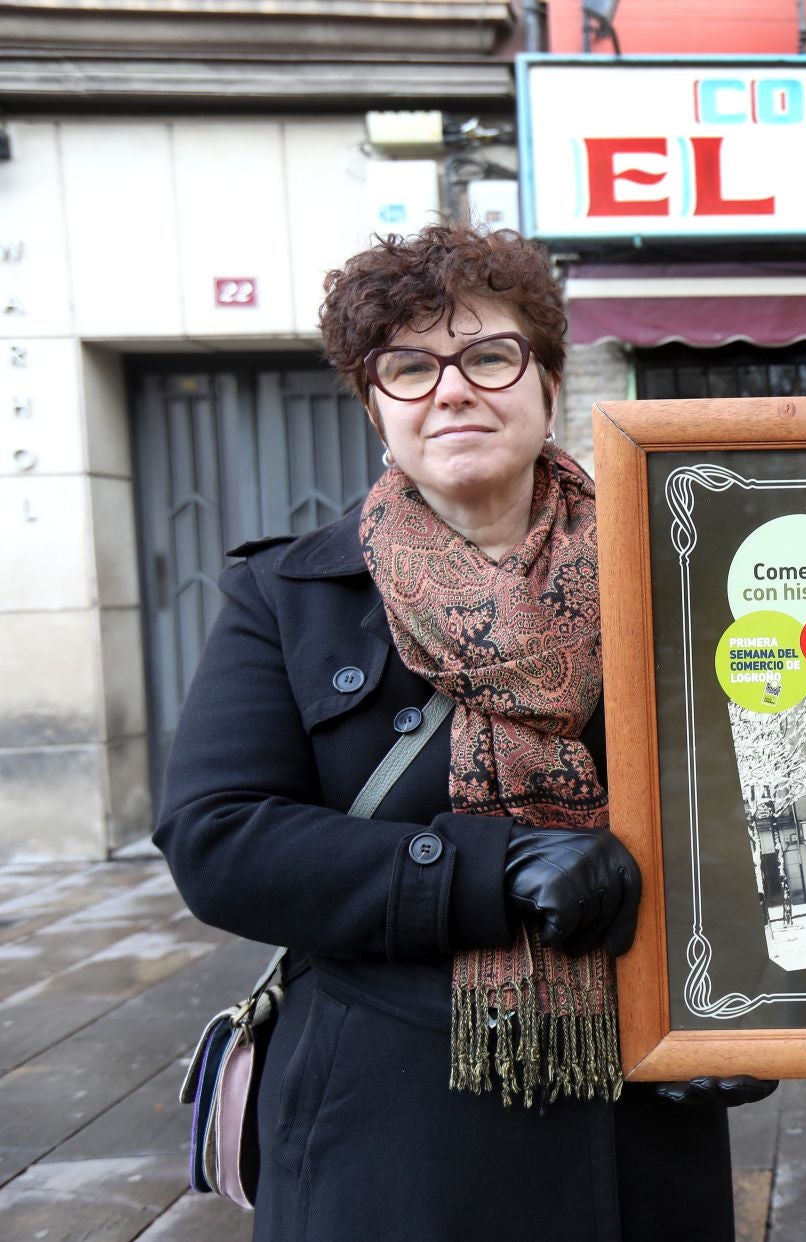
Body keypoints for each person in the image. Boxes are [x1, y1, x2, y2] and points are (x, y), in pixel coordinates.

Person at [155, 223, 769, 1241]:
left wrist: (755, 999)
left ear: (548, 385)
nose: (452, 389)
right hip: (391, 1135)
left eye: (489, 354)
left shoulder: (685, 567)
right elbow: (218, 838)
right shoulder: (289, 595)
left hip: (640, 1115)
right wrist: (490, 869)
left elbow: (765, 796)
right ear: (374, 406)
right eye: (408, 366)